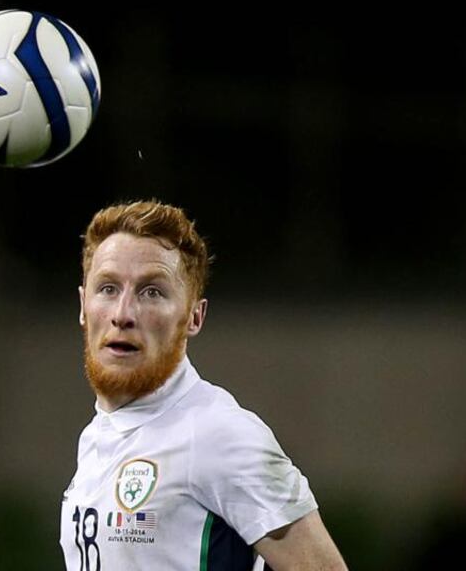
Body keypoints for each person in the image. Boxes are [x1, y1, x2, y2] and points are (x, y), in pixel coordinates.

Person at [59, 200, 347, 571]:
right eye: (109, 288)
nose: (123, 314)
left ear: (194, 316)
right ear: (84, 305)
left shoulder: (220, 433)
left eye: (152, 292)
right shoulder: (100, 436)